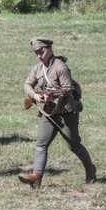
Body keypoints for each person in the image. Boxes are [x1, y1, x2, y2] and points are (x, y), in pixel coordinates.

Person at [18, 38, 96, 188]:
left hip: (66, 111)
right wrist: (34, 95)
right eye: (36, 53)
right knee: (41, 143)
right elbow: (27, 84)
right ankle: (36, 177)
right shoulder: (38, 69)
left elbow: (68, 89)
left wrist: (51, 94)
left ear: (50, 49)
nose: (39, 56)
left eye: (42, 52)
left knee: (73, 146)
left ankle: (90, 168)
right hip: (48, 112)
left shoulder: (61, 67)